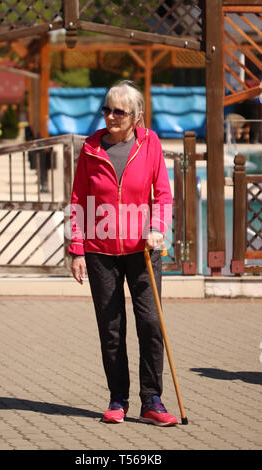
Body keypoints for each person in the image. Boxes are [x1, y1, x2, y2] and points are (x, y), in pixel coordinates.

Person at [69, 80, 177, 426]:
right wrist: (76, 249)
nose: (111, 116)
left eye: (119, 111)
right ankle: (118, 399)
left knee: (150, 323)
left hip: (142, 249)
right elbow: (77, 201)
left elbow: (163, 193)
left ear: (136, 116)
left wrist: (158, 227)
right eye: (107, 109)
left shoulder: (150, 143)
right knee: (112, 328)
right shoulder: (90, 148)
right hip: (101, 250)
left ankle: (153, 400)